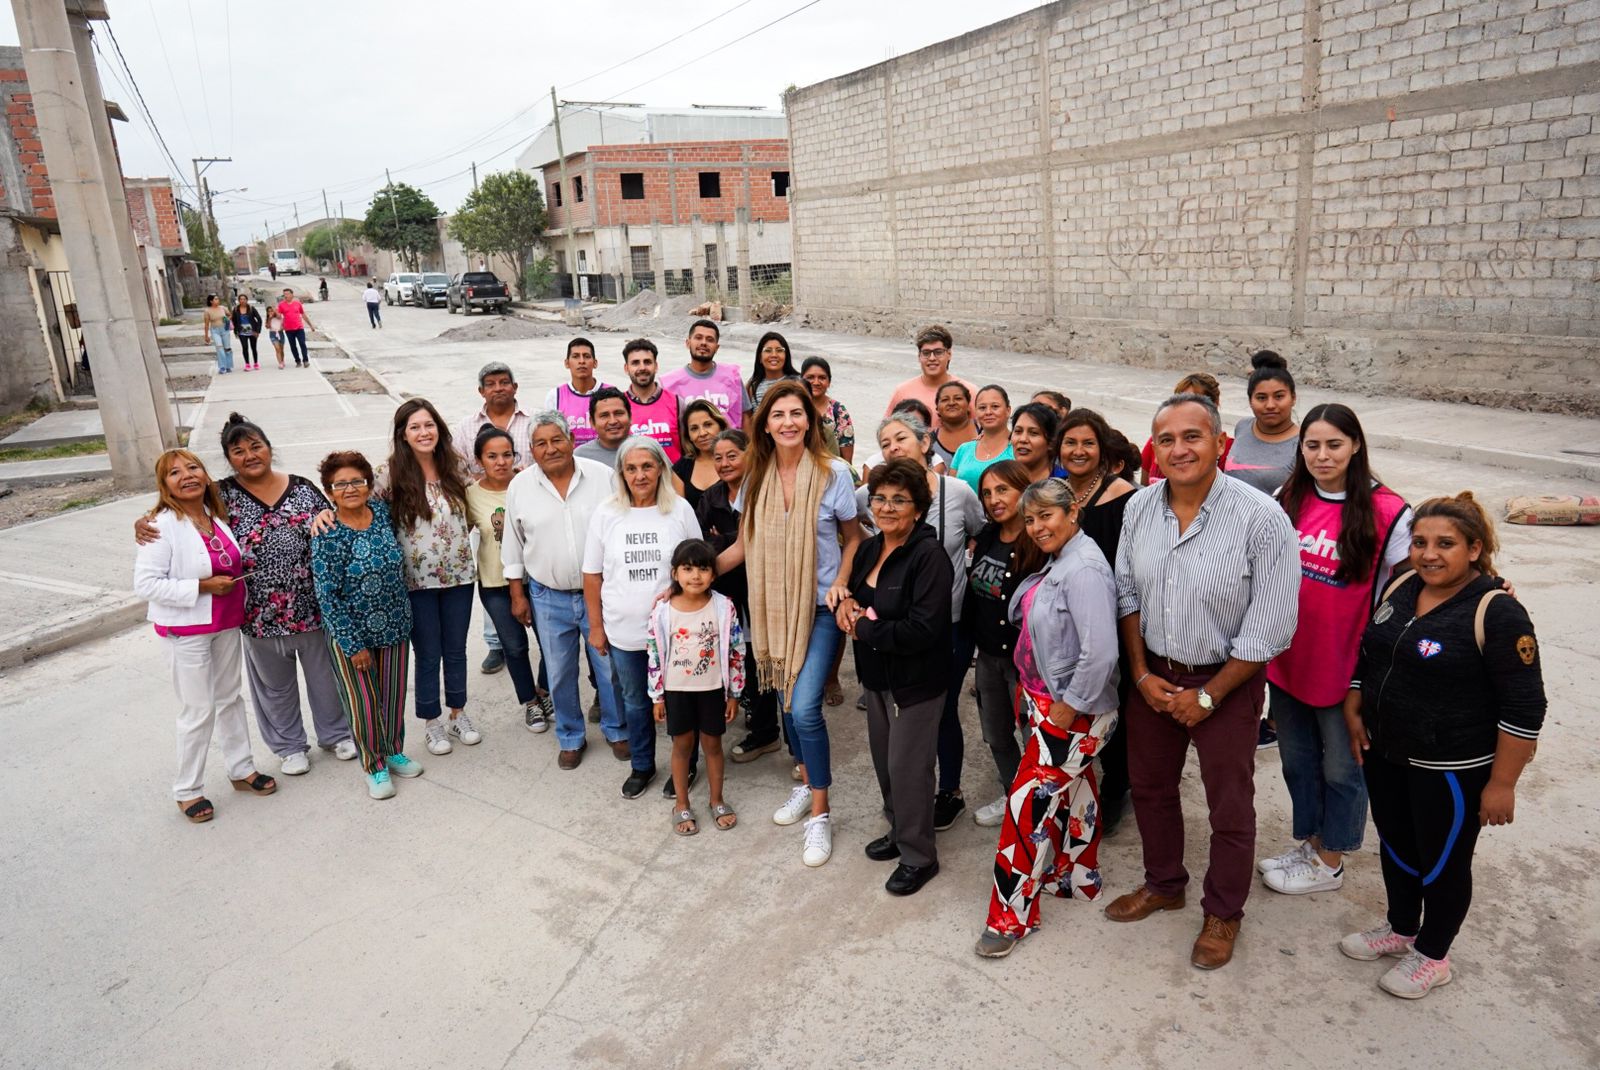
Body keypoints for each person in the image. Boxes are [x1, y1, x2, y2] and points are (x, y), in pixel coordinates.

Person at [1105, 392, 1299, 970]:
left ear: (1220, 444)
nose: (1179, 449)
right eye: (1166, 439)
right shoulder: (1140, 508)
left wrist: (1211, 694)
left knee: (1229, 805)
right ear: (1153, 450)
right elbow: (1127, 593)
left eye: (1192, 436)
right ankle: (1164, 883)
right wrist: (1139, 673)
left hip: (1228, 683)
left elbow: (1273, 623)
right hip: (1154, 678)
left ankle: (1223, 912)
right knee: (1151, 788)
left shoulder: (1261, 517)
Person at [1341, 493, 1543, 999]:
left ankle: (1433, 956)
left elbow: (1524, 709)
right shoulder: (1405, 583)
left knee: (1444, 863)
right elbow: (1374, 650)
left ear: (1475, 548)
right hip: (1387, 753)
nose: (1429, 554)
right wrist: (1355, 699)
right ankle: (1402, 928)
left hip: (1451, 767)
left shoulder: (1498, 613)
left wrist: (1502, 784)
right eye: (1421, 542)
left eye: (1446, 544)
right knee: (1396, 847)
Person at [134, 414, 356, 775]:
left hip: (312, 607)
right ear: (228, 458)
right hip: (257, 613)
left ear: (269, 448)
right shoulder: (219, 494)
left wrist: (325, 520)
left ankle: (336, 735)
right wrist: (143, 521)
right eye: (238, 451)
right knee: (274, 687)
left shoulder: (302, 488)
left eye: (256, 446)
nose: (250, 455)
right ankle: (289, 747)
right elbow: (177, 505)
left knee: (324, 678)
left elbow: (336, 520)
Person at [1259, 404, 1412, 894]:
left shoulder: (1389, 511)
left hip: (1348, 666)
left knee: (1342, 768)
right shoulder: (1290, 496)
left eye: (1334, 445)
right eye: (1312, 445)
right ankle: (1310, 841)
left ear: (1356, 446)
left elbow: (1418, 582)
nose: (1322, 456)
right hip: (1288, 657)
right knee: (1297, 761)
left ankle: (1332, 859)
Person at [715, 381, 862, 867]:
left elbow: (853, 537)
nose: (787, 422)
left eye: (796, 413)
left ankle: (820, 813)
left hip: (818, 608)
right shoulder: (754, 477)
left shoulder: (833, 472)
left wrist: (842, 580)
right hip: (773, 607)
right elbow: (741, 545)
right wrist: (690, 581)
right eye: (777, 414)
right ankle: (804, 777)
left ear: (810, 419)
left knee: (803, 710)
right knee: (784, 701)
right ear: (764, 424)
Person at [974, 477, 1122, 957]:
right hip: (1054, 704)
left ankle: (1010, 918)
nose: (1037, 527)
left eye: (1047, 516)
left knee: (1025, 807)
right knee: (1076, 792)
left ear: (1072, 512)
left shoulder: (1083, 571)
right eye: (1031, 518)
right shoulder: (1064, 559)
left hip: (1074, 712)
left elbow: (1099, 653)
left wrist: (1070, 704)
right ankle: (1078, 879)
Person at [858, 410, 985, 830]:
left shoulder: (958, 491)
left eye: (901, 439)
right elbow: (858, 529)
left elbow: (980, 534)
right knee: (904, 718)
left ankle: (948, 791)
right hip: (897, 623)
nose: (894, 448)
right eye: (886, 443)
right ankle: (909, 802)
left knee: (942, 708)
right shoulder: (876, 495)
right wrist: (843, 585)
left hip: (947, 621)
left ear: (924, 442)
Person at [133, 449, 275, 822]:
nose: (187, 476)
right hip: (187, 632)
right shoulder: (160, 525)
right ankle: (187, 790)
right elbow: (145, 584)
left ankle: (241, 769)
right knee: (197, 710)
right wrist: (202, 587)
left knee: (230, 698)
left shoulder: (214, 517)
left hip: (225, 623)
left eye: (193, 468)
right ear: (164, 485)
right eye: (175, 473)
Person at [833, 458, 954, 894]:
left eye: (898, 500)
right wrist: (846, 606)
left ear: (917, 508)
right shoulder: (870, 546)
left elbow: (924, 628)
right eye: (880, 498)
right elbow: (853, 597)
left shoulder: (929, 557)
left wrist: (864, 627)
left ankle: (920, 856)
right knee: (886, 763)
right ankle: (900, 828)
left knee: (909, 769)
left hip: (916, 683)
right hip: (876, 678)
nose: (886, 507)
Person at [501, 412, 627, 769]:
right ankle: (571, 737)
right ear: (531, 450)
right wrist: (517, 593)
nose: (550, 448)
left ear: (572, 441)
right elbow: (513, 543)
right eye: (540, 443)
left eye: (557, 439)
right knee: (559, 672)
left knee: (608, 668)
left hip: (599, 595)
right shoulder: (520, 486)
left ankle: (618, 731)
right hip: (547, 595)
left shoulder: (603, 477)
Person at [582, 436, 702, 799]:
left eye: (647, 466)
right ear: (621, 473)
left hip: (677, 632)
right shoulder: (607, 512)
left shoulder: (679, 509)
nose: (640, 475)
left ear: (661, 468)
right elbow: (592, 574)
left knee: (681, 702)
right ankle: (643, 765)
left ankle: (687, 764)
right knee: (635, 701)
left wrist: (679, 592)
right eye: (631, 468)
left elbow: (699, 563)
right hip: (624, 630)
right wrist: (597, 628)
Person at [310, 451, 421, 800]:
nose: (350, 488)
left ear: (369, 484)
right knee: (363, 704)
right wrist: (352, 644)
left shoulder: (384, 515)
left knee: (392, 696)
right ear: (330, 491)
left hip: (394, 625)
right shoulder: (326, 532)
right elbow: (327, 595)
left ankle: (393, 750)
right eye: (340, 484)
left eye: (357, 481)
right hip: (352, 633)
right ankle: (374, 766)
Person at [380, 399, 479, 755]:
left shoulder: (456, 467)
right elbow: (360, 513)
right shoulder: (388, 475)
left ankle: (458, 713)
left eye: (429, 425)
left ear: (439, 429)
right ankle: (431, 722)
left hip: (459, 577)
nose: (424, 433)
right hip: (416, 583)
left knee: (456, 650)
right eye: (415, 427)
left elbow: (481, 505)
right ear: (403, 436)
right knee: (428, 653)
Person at [1059, 408, 1140, 832]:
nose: (1078, 450)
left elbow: (1133, 565)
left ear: (1103, 449)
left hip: (1111, 615)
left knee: (1114, 702)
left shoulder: (1122, 494)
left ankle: (1116, 789)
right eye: (1070, 442)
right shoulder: (1057, 492)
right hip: (1068, 618)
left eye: (1088, 443)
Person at [962, 460, 1046, 827]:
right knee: (996, 733)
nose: (994, 499)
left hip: (1027, 665)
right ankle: (1013, 792)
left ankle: (1039, 808)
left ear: (1023, 490)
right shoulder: (986, 537)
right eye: (987, 492)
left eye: (1002, 490)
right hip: (988, 658)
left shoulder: (1041, 542)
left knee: (1035, 739)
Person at [647, 539, 745, 835]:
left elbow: (736, 650)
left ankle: (716, 800)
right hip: (677, 692)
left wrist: (734, 693)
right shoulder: (663, 611)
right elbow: (653, 653)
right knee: (682, 746)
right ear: (675, 573)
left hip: (713, 690)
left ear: (713, 575)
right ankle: (681, 804)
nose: (695, 576)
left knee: (713, 746)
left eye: (703, 569)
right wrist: (657, 696)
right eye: (687, 569)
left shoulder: (723, 607)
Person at [697, 429, 783, 766]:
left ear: (749, 455)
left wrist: (729, 539)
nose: (724, 463)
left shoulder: (765, 490)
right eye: (718, 457)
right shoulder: (711, 497)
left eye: (732, 455)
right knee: (745, 659)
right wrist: (733, 540)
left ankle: (784, 738)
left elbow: (763, 540)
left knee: (772, 662)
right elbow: (704, 543)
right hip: (729, 592)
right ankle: (764, 732)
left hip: (767, 588)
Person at [467, 426, 555, 732]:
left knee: (550, 644)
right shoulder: (470, 496)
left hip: (537, 579)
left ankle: (544, 692)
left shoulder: (531, 484)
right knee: (514, 647)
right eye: (492, 456)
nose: (501, 462)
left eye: (507, 454)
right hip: (495, 584)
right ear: (480, 459)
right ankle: (530, 703)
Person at [1225, 352, 1299, 495]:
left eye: (1279, 396)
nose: (1270, 405)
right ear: (1250, 401)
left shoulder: (1303, 443)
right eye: (1261, 398)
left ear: (1293, 398)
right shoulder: (1243, 427)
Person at [1140, 373, 1233, 484]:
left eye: (1192, 437)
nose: (1178, 452)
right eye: (1180, 400)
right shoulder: (1159, 442)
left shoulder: (1229, 451)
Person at [885, 325, 976, 431]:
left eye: (938, 352)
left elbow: (982, 433)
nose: (932, 358)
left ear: (949, 354)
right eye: (926, 353)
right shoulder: (902, 392)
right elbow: (888, 432)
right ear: (919, 356)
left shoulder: (968, 392)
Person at [661, 318, 745, 431]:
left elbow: (746, 416)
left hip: (729, 445)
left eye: (710, 339)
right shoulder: (669, 384)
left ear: (717, 347)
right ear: (688, 343)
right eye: (698, 337)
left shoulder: (732, 377)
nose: (704, 343)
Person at [453, 362, 533, 477]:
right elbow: (457, 471)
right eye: (490, 384)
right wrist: (487, 480)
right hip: (481, 493)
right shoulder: (465, 427)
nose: (498, 388)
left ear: (515, 387)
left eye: (504, 383)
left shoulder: (535, 420)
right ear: (481, 391)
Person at [621, 338, 681, 461]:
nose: (642, 368)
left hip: (672, 478)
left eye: (647, 362)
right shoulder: (619, 405)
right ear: (626, 368)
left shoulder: (677, 403)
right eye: (635, 363)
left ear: (656, 366)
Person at [543, 338, 611, 446]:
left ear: (595, 363)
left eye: (587, 356)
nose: (581, 361)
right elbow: (550, 434)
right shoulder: (555, 396)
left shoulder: (611, 393)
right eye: (575, 356)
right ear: (567, 363)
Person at [949, 384, 1014, 496]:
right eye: (982, 408)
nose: (988, 412)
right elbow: (950, 492)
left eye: (995, 406)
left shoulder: (1018, 448)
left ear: (1008, 410)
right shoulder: (964, 449)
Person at [672, 399, 730, 512]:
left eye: (708, 425)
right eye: (694, 428)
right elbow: (679, 515)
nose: (702, 433)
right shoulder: (681, 468)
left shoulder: (739, 460)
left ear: (721, 426)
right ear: (688, 435)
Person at [801, 356, 855, 464]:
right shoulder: (793, 407)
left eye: (822, 378)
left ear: (829, 382)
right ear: (801, 380)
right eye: (810, 377)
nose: (816, 382)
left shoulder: (839, 411)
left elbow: (847, 460)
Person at [742, 331, 802, 418]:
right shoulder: (752, 386)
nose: (774, 355)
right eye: (768, 351)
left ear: (786, 356)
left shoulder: (798, 383)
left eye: (779, 350)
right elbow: (748, 420)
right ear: (760, 358)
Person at [1009, 402, 1067, 484]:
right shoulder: (1002, 479)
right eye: (1018, 431)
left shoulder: (1064, 483)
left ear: (1051, 443)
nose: (1023, 439)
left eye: (1033, 433)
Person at [576, 387, 633, 468]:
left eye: (618, 413)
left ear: (630, 417)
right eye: (604, 416)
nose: (613, 421)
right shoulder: (580, 457)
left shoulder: (648, 449)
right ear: (592, 422)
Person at [932, 382, 977, 469]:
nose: (951, 403)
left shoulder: (985, 432)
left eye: (958, 398)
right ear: (937, 409)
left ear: (968, 405)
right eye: (945, 400)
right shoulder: (929, 441)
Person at [277, 288, 311, 368]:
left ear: (292, 295)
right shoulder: (281, 305)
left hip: (299, 328)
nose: (286, 296)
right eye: (284, 294)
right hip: (288, 329)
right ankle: (298, 361)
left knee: (302, 344)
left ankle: (305, 361)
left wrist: (310, 325)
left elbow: (303, 314)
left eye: (287, 294)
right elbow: (279, 316)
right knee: (293, 346)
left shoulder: (297, 304)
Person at [202, 295, 233, 374]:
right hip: (215, 331)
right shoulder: (207, 311)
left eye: (218, 298)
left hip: (225, 329)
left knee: (227, 348)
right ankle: (222, 367)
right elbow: (206, 324)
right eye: (215, 299)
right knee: (219, 348)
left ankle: (228, 366)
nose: (218, 300)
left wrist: (227, 319)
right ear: (211, 301)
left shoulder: (223, 308)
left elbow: (230, 315)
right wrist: (206, 336)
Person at [230, 294, 262, 371]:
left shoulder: (251, 308)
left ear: (247, 300)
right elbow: (234, 321)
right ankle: (247, 364)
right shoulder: (235, 309)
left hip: (252, 332)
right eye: (241, 299)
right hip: (242, 332)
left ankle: (256, 363)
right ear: (239, 300)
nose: (242, 300)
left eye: (244, 299)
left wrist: (257, 331)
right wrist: (235, 332)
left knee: (253, 348)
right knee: (244, 347)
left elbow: (259, 320)